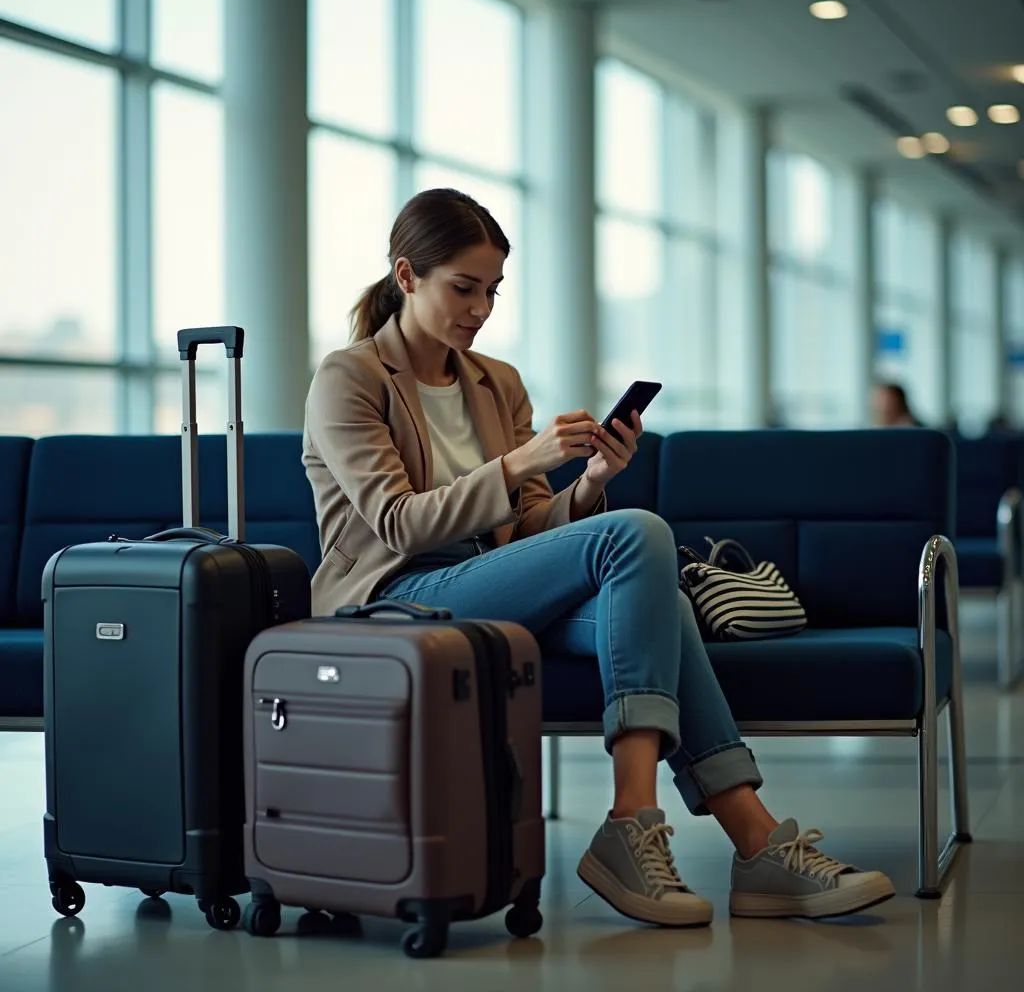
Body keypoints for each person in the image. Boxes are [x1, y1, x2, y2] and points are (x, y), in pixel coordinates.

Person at [302, 188, 895, 928]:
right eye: (463, 287)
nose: (480, 309)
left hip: (487, 586)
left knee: (660, 593)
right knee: (636, 534)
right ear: (407, 275)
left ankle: (750, 840)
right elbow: (396, 523)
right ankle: (642, 821)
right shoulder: (350, 377)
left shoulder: (496, 382)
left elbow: (523, 533)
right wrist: (521, 463)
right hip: (396, 597)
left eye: (491, 291)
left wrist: (589, 483)